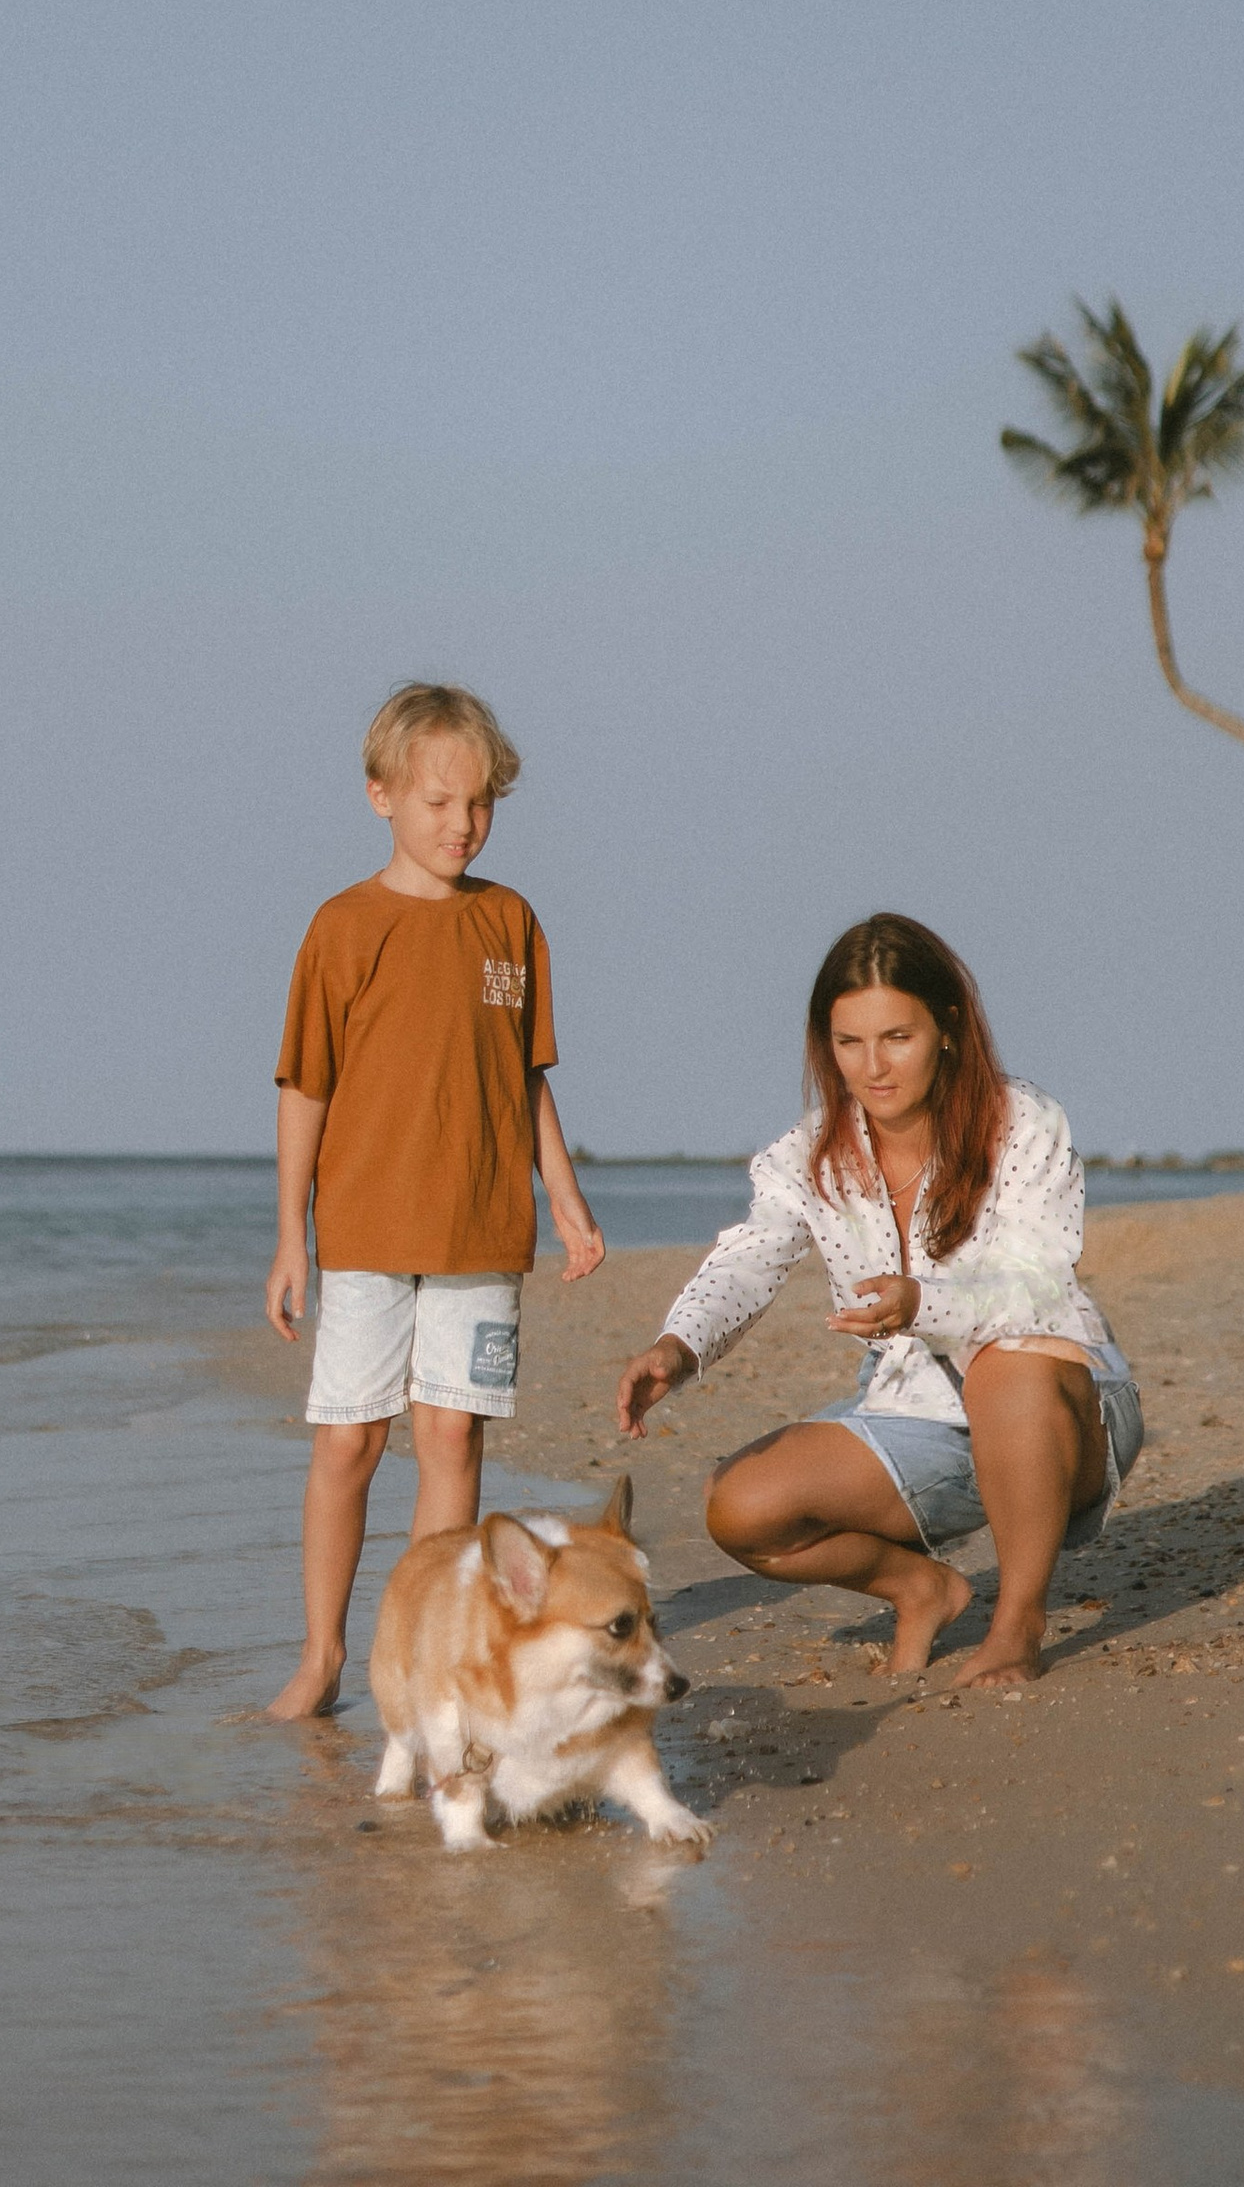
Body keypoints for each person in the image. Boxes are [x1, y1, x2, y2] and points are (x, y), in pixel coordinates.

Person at [614, 914, 1141, 1692]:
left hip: (1061, 1399)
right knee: (742, 1508)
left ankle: (1018, 1620)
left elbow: (1037, 1286)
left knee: (1007, 1365)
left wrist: (921, 1301)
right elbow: (751, 1257)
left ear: (949, 1028)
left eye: (898, 1036)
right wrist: (678, 1346)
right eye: (849, 1041)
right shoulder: (811, 1153)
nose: (873, 1067)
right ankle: (921, 1588)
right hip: (916, 1410)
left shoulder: (1023, 1122)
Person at [263, 680, 605, 1719]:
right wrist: (292, 1239)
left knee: (451, 1441)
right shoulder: (342, 927)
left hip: (480, 1231)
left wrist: (567, 1202)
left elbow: (525, 1077)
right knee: (349, 1442)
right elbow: (305, 1087)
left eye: (480, 805)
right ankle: (323, 1657)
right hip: (365, 1234)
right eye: (437, 804)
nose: (461, 825)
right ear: (381, 797)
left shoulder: (510, 923)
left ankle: (409, 1665)